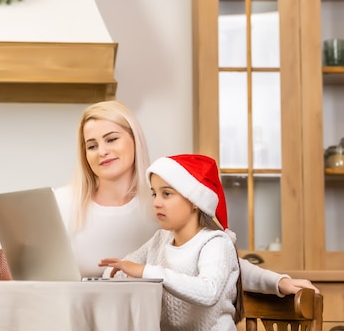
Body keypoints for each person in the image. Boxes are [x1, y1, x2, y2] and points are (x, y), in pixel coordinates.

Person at [52, 100, 317, 296]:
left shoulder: (166, 205)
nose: (102, 152)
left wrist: (278, 282)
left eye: (112, 139)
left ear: (135, 140)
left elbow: (220, 259)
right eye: (92, 145)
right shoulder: (60, 203)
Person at [99, 154, 244, 330]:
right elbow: (119, 270)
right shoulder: (160, 239)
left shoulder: (215, 243)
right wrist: (113, 274)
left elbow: (209, 291)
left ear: (195, 201)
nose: (156, 203)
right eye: (154, 194)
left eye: (166, 194)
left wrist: (144, 271)